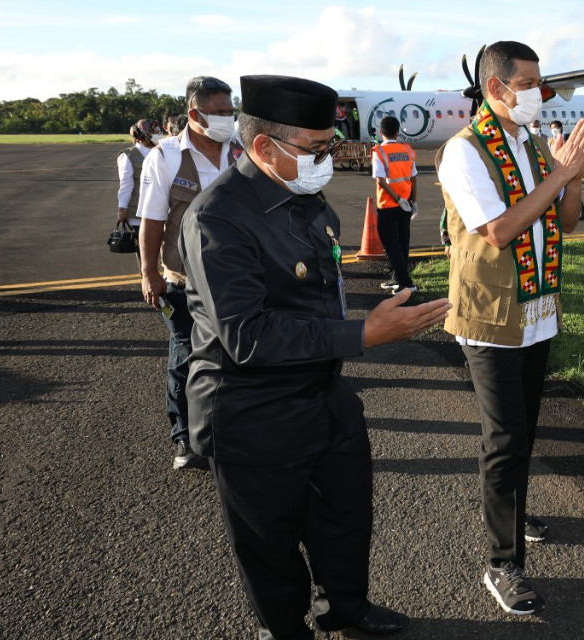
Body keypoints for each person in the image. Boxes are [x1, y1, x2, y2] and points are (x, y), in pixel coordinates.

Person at [180, 74, 451, 640]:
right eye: (317, 148)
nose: (328, 159)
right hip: (252, 413)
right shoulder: (217, 218)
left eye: (331, 145)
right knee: (270, 546)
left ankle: (348, 608)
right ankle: (286, 629)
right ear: (263, 147)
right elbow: (245, 336)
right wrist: (362, 336)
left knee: (346, 521)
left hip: (324, 398)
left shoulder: (303, 193)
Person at [435, 40, 584, 616]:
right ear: (497, 88)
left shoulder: (529, 144)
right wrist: (559, 174)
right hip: (491, 316)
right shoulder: (464, 151)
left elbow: (566, 221)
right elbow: (499, 230)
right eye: (528, 83)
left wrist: (572, 177)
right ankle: (503, 564)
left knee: (523, 430)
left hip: (537, 311)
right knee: (503, 441)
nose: (538, 93)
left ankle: (515, 513)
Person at [137, 76, 242, 471]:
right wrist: (149, 274)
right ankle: (185, 438)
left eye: (231, 112)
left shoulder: (241, 151)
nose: (227, 120)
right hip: (184, 280)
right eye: (219, 113)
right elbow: (150, 222)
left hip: (236, 278)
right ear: (194, 114)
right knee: (186, 356)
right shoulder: (165, 157)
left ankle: (228, 425)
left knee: (237, 354)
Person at [371, 115, 419, 295]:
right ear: (398, 132)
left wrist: (397, 198)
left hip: (389, 205)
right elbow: (414, 177)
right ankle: (398, 277)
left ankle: (406, 283)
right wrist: (414, 201)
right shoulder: (407, 149)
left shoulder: (379, 152)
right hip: (405, 204)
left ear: (381, 132)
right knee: (402, 242)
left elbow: (381, 181)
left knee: (391, 244)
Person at [116, 119, 156, 243]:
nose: (154, 133)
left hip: (161, 211)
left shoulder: (159, 152)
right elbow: (126, 185)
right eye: (150, 130)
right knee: (144, 250)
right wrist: (122, 210)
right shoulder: (128, 156)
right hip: (138, 213)